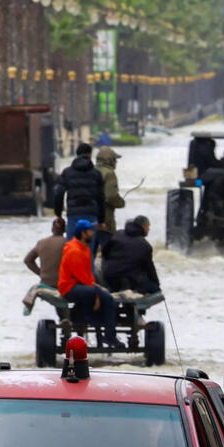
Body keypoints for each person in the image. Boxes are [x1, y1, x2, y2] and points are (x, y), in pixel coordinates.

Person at [58, 219, 123, 349]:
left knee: (104, 294)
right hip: (69, 287)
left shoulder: (85, 249)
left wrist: (96, 287)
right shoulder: (74, 250)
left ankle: (94, 320)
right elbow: (80, 276)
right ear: (83, 233)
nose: (93, 233)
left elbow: (88, 274)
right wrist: (97, 294)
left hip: (81, 285)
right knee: (108, 298)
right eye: (90, 231)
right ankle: (109, 336)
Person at [53, 142, 105, 240]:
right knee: (89, 250)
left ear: (77, 154)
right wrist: (101, 220)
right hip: (91, 215)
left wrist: (58, 214)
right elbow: (101, 197)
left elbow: (59, 193)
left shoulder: (67, 172)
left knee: (72, 248)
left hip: (73, 215)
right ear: (90, 154)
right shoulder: (96, 174)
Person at [101, 215, 160, 295]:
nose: (149, 229)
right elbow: (150, 268)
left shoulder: (118, 234)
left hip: (109, 276)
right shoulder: (145, 246)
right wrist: (157, 285)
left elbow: (105, 252)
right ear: (144, 227)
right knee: (154, 288)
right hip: (128, 280)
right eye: (148, 226)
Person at [95, 146, 125, 247]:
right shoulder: (109, 173)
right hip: (105, 218)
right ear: (110, 160)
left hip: (90, 217)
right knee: (108, 250)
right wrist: (121, 203)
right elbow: (111, 196)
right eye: (115, 160)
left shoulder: (92, 170)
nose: (116, 163)